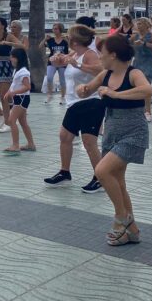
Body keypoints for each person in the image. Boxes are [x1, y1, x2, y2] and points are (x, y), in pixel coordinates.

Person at [80, 34, 152, 246]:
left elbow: (147, 90)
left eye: (102, 53)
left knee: (102, 171)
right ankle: (133, 231)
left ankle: (121, 218)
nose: (100, 56)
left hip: (134, 132)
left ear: (113, 54)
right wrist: (82, 90)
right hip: (112, 131)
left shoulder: (133, 73)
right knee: (119, 182)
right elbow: (87, 91)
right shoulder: (105, 74)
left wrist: (116, 94)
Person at [43, 24, 105, 193]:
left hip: (91, 103)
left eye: (70, 37)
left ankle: (101, 178)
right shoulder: (75, 53)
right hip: (74, 103)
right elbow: (58, 60)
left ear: (76, 40)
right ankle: (65, 173)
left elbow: (102, 71)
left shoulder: (90, 54)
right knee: (64, 137)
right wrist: (56, 59)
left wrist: (78, 66)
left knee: (89, 143)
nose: (67, 39)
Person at [2, 48, 35, 155]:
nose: (10, 59)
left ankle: (15, 145)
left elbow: (27, 87)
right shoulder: (18, 70)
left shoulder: (23, 72)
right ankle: (31, 144)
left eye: (12, 57)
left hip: (22, 98)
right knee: (23, 122)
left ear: (18, 58)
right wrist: (9, 92)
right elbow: (15, 84)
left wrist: (13, 93)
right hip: (19, 98)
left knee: (11, 120)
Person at [131, 18, 152, 122]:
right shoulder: (135, 36)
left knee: (146, 86)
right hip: (137, 62)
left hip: (148, 62)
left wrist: (144, 44)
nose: (138, 25)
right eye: (137, 24)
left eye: (140, 24)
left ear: (146, 25)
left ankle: (148, 111)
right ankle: (139, 110)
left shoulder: (151, 35)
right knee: (136, 87)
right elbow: (129, 47)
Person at [40, 23, 69, 104]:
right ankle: (49, 95)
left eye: (56, 28)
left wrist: (68, 40)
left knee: (62, 80)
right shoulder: (51, 40)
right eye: (53, 28)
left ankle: (63, 97)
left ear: (60, 30)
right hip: (52, 61)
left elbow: (72, 48)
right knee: (49, 77)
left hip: (62, 62)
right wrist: (45, 39)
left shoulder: (65, 39)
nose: (54, 30)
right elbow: (40, 46)